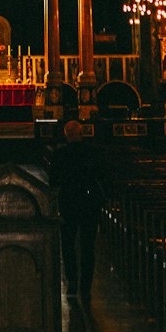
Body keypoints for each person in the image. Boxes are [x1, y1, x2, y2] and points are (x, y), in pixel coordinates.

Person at [48, 119, 103, 304]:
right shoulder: (92, 152)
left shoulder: (59, 155)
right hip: (89, 204)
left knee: (68, 245)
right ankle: (85, 287)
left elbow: (53, 182)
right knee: (88, 247)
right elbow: (101, 175)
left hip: (68, 203)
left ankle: (72, 282)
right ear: (82, 133)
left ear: (66, 135)